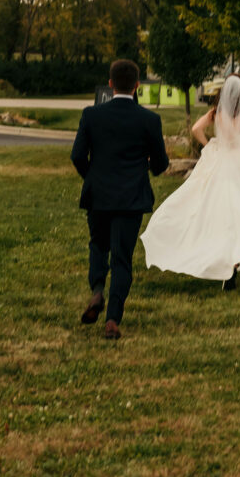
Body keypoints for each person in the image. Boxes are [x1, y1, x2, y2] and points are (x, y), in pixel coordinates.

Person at [141, 73, 240, 290]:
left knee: (214, 212)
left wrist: (209, 144)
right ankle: (232, 263)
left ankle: (222, 260)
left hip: (220, 165)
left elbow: (196, 129)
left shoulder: (216, 113)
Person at [71, 58, 169, 339]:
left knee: (98, 246)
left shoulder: (91, 115)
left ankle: (97, 291)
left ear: (110, 84)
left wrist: (92, 177)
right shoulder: (149, 120)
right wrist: (146, 167)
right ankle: (113, 319)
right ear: (137, 86)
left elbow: (77, 156)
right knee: (122, 259)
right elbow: (161, 164)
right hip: (131, 198)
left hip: (99, 195)